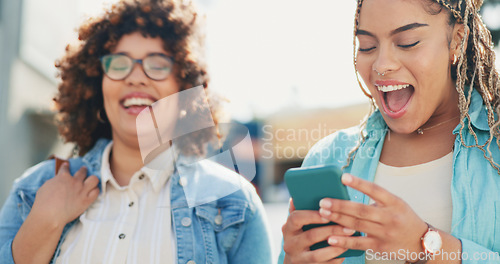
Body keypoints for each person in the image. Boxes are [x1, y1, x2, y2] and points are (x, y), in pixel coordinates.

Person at [0, 0, 272, 263]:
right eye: (119, 63)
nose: (136, 76)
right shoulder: (34, 189)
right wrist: (45, 222)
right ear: (99, 83)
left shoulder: (234, 202)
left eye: (157, 64)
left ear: (183, 86)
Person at [279, 0, 500, 263]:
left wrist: (427, 246)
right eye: (367, 46)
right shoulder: (329, 158)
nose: (381, 65)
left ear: (457, 41)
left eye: (407, 42)